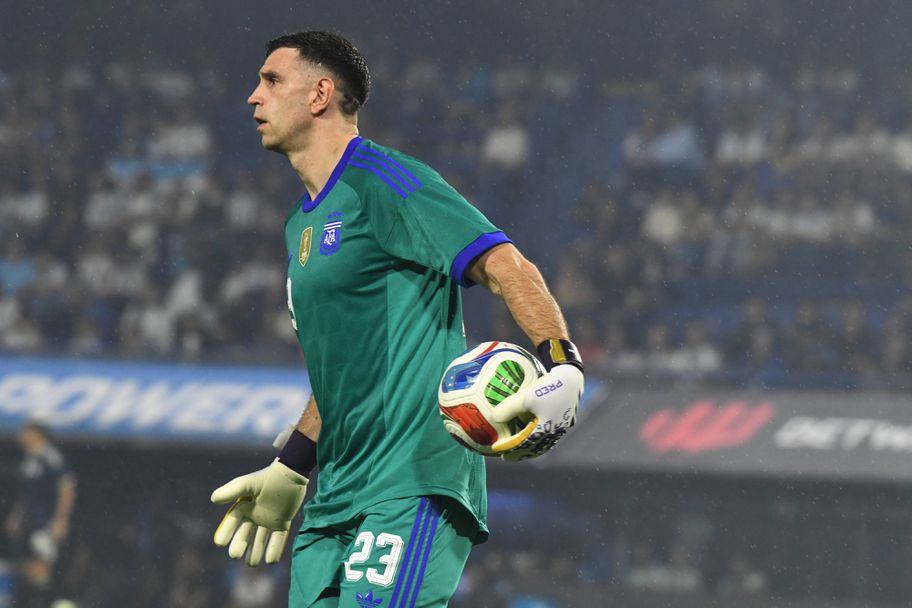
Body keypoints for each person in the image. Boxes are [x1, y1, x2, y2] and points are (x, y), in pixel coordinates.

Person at [210, 31, 585, 608]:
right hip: (333, 500)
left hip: (410, 482)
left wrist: (563, 363)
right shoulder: (299, 225)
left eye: (272, 80)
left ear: (320, 95)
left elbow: (507, 265)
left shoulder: (383, 179)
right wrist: (293, 465)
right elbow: (345, 367)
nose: (253, 96)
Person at [4, 421, 77, 608]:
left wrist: (61, 519)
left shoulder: (51, 457)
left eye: (25, 432)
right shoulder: (29, 458)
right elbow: (27, 492)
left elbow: (67, 488)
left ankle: (49, 602)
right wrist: (17, 516)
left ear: (37, 434)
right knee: (27, 565)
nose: (21, 436)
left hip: (46, 521)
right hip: (30, 520)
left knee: (42, 565)